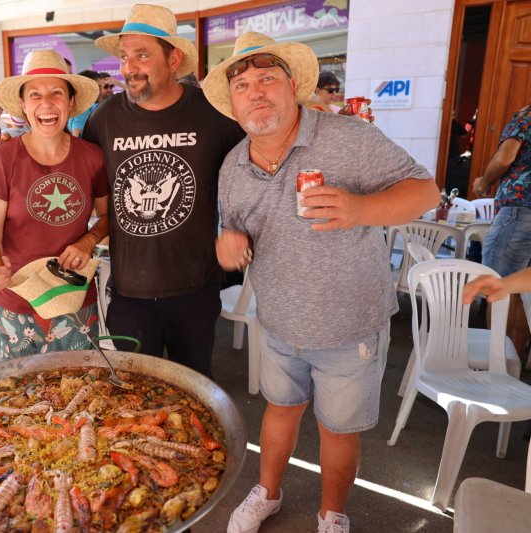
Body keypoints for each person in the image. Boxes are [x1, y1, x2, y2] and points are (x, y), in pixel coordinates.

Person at [202, 32, 439, 532]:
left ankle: (333, 514)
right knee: (281, 410)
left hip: (349, 322)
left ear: (293, 87)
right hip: (281, 319)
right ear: (233, 103)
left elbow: (425, 192)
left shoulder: (349, 138)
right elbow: (238, 224)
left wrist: (363, 209)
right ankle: (267, 493)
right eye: (242, 85)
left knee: (337, 429)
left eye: (267, 79)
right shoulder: (233, 166)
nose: (256, 92)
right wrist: (230, 238)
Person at [80, 3, 245, 377]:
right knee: (135, 398)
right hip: (128, 291)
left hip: (195, 289)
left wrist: (239, 225)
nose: (128, 67)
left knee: (195, 392)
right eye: (124, 57)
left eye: (142, 55)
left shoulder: (214, 114)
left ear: (173, 59)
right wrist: (11, 146)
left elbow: (253, 170)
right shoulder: (104, 118)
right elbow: (74, 170)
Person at [0, 49, 109, 359]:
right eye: (34, 95)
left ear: (71, 102)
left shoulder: (93, 157)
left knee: (83, 394)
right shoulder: (3, 157)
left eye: (56, 93)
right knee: (22, 399)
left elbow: (107, 218)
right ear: (22, 105)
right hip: (16, 300)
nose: (46, 104)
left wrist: (88, 241)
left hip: (74, 298)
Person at [472, 103, 531, 355]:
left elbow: (505, 157)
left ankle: (493, 364)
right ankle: (512, 362)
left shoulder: (524, 122)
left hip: (519, 210)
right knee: (522, 291)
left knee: (499, 286)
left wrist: (484, 182)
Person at [67, 70, 101, 137]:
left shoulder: (86, 107)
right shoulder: (83, 110)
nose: (100, 90)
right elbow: (76, 135)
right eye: (98, 87)